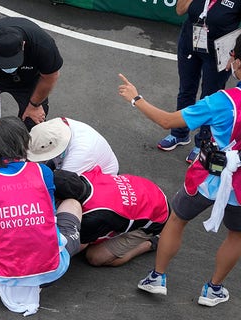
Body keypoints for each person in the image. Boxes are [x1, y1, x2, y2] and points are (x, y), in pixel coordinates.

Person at [117, 35, 241, 307]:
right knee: (237, 235)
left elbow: (166, 121)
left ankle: (157, 277)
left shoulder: (222, 101)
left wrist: (135, 98)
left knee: (177, 220)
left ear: (238, 64)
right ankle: (214, 290)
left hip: (208, 178)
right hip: (240, 189)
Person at [0, 116, 83, 316]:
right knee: (72, 204)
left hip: (5, 273)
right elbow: (48, 211)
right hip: (53, 269)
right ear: (24, 142)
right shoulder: (43, 172)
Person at [0, 17, 63, 165]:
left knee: (33, 122)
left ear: (23, 45)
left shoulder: (43, 45)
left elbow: (50, 76)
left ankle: (26, 163)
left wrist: (34, 105)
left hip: (29, 78)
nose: (10, 66)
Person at [157, 0, 241, 163]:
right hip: (190, 41)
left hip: (219, 51)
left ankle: (203, 142)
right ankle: (179, 133)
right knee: (186, 89)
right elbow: (180, 10)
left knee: (210, 96)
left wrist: (235, 53)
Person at [53, 168, 169, 267]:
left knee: (95, 257)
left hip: (157, 218)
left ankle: (150, 242)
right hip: (149, 191)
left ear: (63, 200)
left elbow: (74, 245)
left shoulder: (93, 217)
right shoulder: (87, 175)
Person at [26, 117, 119, 175]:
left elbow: (62, 184)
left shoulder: (78, 157)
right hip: (79, 160)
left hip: (102, 178)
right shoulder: (58, 126)